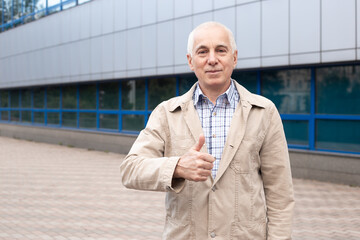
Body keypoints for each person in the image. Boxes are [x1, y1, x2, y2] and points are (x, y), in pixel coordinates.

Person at [120, 21, 295, 240]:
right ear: (190, 61)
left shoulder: (264, 112)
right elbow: (130, 170)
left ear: (234, 57)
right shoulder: (167, 113)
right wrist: (176, 167)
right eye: (202, 52)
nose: (212, 59)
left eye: (221, 50)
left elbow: (280, 193)